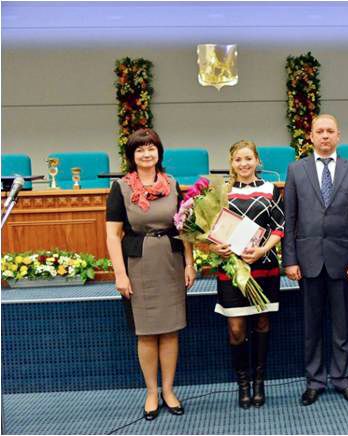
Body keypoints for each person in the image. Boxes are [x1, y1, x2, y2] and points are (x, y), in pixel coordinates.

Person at [105, 128, 195, 420]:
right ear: (132, 156)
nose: (146, 154)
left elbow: (184, 227)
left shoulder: (172, 183)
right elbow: (112, 235)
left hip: (170, 260)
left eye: (151, 148)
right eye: (140, 149)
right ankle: (152, 392)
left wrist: (190, 263)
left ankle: (169, 390)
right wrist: (120, 274)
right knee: (146, 333)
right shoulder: (121, 187)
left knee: (170, 330)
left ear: (159, 152)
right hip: (139, 264)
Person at [283, 114, 348, 406]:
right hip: (306, 261)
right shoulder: (295, 170)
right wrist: (290, 260)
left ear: (338, 135)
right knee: (312, 327)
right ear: (310, 136)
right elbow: (289, 219)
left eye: (330, 131)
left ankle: (343, 379)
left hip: (343, 262)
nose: (324, 136)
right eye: (319, 131)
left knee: (342, 327)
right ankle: (315, 381)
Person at [209, 140, 284, 409]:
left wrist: (263, 248)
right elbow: (211, 231)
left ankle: (259, 383)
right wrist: (215, 246)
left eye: (248, 158)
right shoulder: (221, 192)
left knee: (262, 323)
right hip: (231, 268)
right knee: (237, 329)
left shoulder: (270, 190)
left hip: (264, 265)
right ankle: (243, 384)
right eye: (238, 159)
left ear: (257, 161)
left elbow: (280, 226)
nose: (244, 164)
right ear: (231, 163)